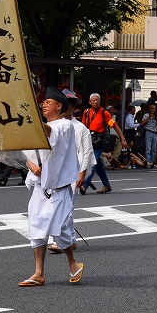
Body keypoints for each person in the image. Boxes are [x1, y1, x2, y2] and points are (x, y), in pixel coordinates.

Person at [19, 87, 84, 287]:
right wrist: (31, 165)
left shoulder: (65, 125)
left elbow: (50, 132)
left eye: (48, 103)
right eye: (42, 103)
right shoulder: (37, 128)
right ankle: (39, 273)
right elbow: (25, 153)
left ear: (59, 106)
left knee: (61, 230)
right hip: (40, 189)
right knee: (37, 229)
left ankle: (72, 262)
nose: (44, 105)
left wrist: (31, 118)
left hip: (60, 189)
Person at [48, 89, 96, 253]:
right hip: (56, 172)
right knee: (58, 206)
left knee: (66, 207)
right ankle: (70, 240)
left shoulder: (80, 127)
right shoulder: (53, 126)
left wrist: (82, 172)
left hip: (73, 172)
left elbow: (87, 151)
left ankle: (63, 241)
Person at [81, 93, 127, 194]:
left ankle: (85, 185)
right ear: (90, 102)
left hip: (99, 141)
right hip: (88, 139)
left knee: (93, 162)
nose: (95, 102)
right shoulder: (86, 112)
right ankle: (107, 185)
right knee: (98, 165)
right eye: (93, 100)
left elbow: (114, 126)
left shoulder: (104, 113)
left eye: (97, 100)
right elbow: (83, 127)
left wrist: (122, 138)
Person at [139, 103, 157, 167]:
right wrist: (149, 117)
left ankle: (152, 162)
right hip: (149, 132)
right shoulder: (146, 115)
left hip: (155, 133)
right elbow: (143, 123)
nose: (154, 110)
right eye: (152, 108)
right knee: (148, 149)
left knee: (154, 149)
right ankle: (148, 162)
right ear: (149, 109)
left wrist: (156, 118)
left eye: (155, 109)